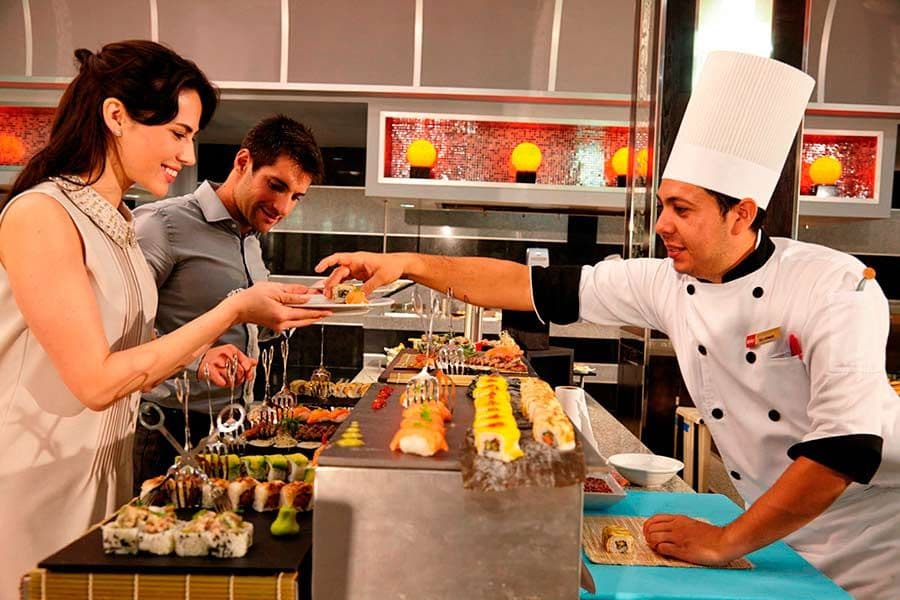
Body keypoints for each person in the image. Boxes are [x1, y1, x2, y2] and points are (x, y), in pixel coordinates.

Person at [316, 52, 899, 599]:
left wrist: (725, 539)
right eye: (664, 205)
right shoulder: (668, 280)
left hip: (870, 541)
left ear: (741, 213)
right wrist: (412, 265)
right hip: (768, 525)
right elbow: (527, 285)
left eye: (683, 209)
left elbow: (843, 449)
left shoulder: (834, 287)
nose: (663, 225)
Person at [0, 40, 329, 597]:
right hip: (36, 476)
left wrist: (200, 354)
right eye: (179, 133)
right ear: (115, 116)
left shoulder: (120, 224)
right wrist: (233, 308)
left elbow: (130, 340)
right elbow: (98, 380)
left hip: (103, 465)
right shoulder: (41, 214)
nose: (190, 154)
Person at [132, 115, 325, 488]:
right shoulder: (162, 224)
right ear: (242, 163)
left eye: (296, 197)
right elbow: (121, 331)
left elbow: (242, 323)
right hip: (166, 425)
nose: (283, 207)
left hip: (230, 421)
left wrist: (298, 308)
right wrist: (198, 358)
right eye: (276, 186)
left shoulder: (250, 238)